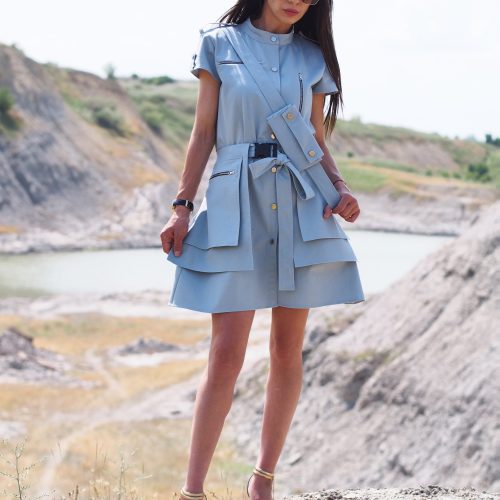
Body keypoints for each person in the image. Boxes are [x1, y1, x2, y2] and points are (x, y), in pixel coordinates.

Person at [160, 0, 365, 498]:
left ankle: (263, 480)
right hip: (235, 202)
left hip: (300, 202)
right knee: (225, 353)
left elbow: (314, 139)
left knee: (286, 351)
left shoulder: (312, 56)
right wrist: (182, 206)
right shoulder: (218, 43)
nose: (297, 0)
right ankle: (192, 490)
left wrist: (339, 187)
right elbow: (203, 133)